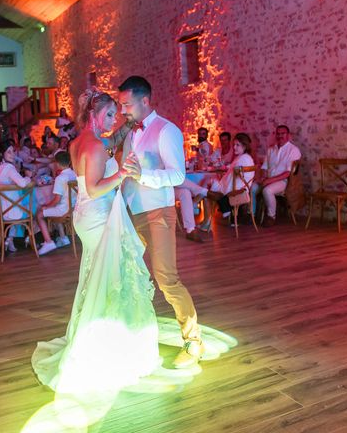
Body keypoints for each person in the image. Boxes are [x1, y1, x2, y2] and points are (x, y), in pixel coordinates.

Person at [32, 86, 159, 396]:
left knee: (98, 275)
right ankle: (107, 344)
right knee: (114, 277)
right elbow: (95, 186)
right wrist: (124, 174)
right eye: (109, 115)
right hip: (99, 216)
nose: (113, 121)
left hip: (85, 217)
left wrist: (127, 128)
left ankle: (98, 334)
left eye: (116, 116)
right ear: (93, 113)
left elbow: (97, 161)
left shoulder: (79, 142)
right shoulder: (95, 145)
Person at [118, 75, 202, 367]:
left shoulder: (167, 130)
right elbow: (127, 171)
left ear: (145, 101)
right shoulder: (130, 133)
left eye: (126, 105)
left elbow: (179, 175)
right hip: (133, 211)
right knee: (130, 274)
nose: (123, 111)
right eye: (120, 105)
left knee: (166, 279)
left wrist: (144, 176)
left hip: (159, 213)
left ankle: (193, 340)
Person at [199, 133, 255, 231]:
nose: (234, 147)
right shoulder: (245, 157)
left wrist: (222, 177)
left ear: (245, 146)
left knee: (207, 191)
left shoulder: (243, 159)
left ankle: (208, 216)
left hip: (234, 191)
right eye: (234, 144)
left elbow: (233, 174)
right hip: (241, 188)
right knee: (208, 187)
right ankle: (213, 212)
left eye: (237, 145)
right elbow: (233, 170)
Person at [0, 140, 33, 253]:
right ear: (1, 154)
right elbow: (23, 184)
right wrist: (29, 176)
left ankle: (9, 240)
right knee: (35, 209)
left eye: (13, 151)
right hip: (10, 211)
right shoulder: (9, 167)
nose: (13, 155)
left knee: (19, 205)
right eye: (9, 152)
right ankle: (32, 240)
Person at [253, 125, 301, 227]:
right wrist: (262, 177)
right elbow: (264, 167)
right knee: (252, 187)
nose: (280, 136)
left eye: (282, 133)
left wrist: (269, 180)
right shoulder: (271, 149)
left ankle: (271, 217)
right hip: (269, 179)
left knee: (267, 190)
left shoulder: (293, 150)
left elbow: (288, 173)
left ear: (288, 135)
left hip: (284, 181)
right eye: (278, 134)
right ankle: (251, 215)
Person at [35, 151, 77, 255]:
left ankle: (48, 242)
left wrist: (45, 206)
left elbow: (57, 200)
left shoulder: (60, 178)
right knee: (52, 208)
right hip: (74, 207)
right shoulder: (74, 174)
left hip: (63, 210)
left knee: (39, 214)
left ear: (57, 163)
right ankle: (63, 238)